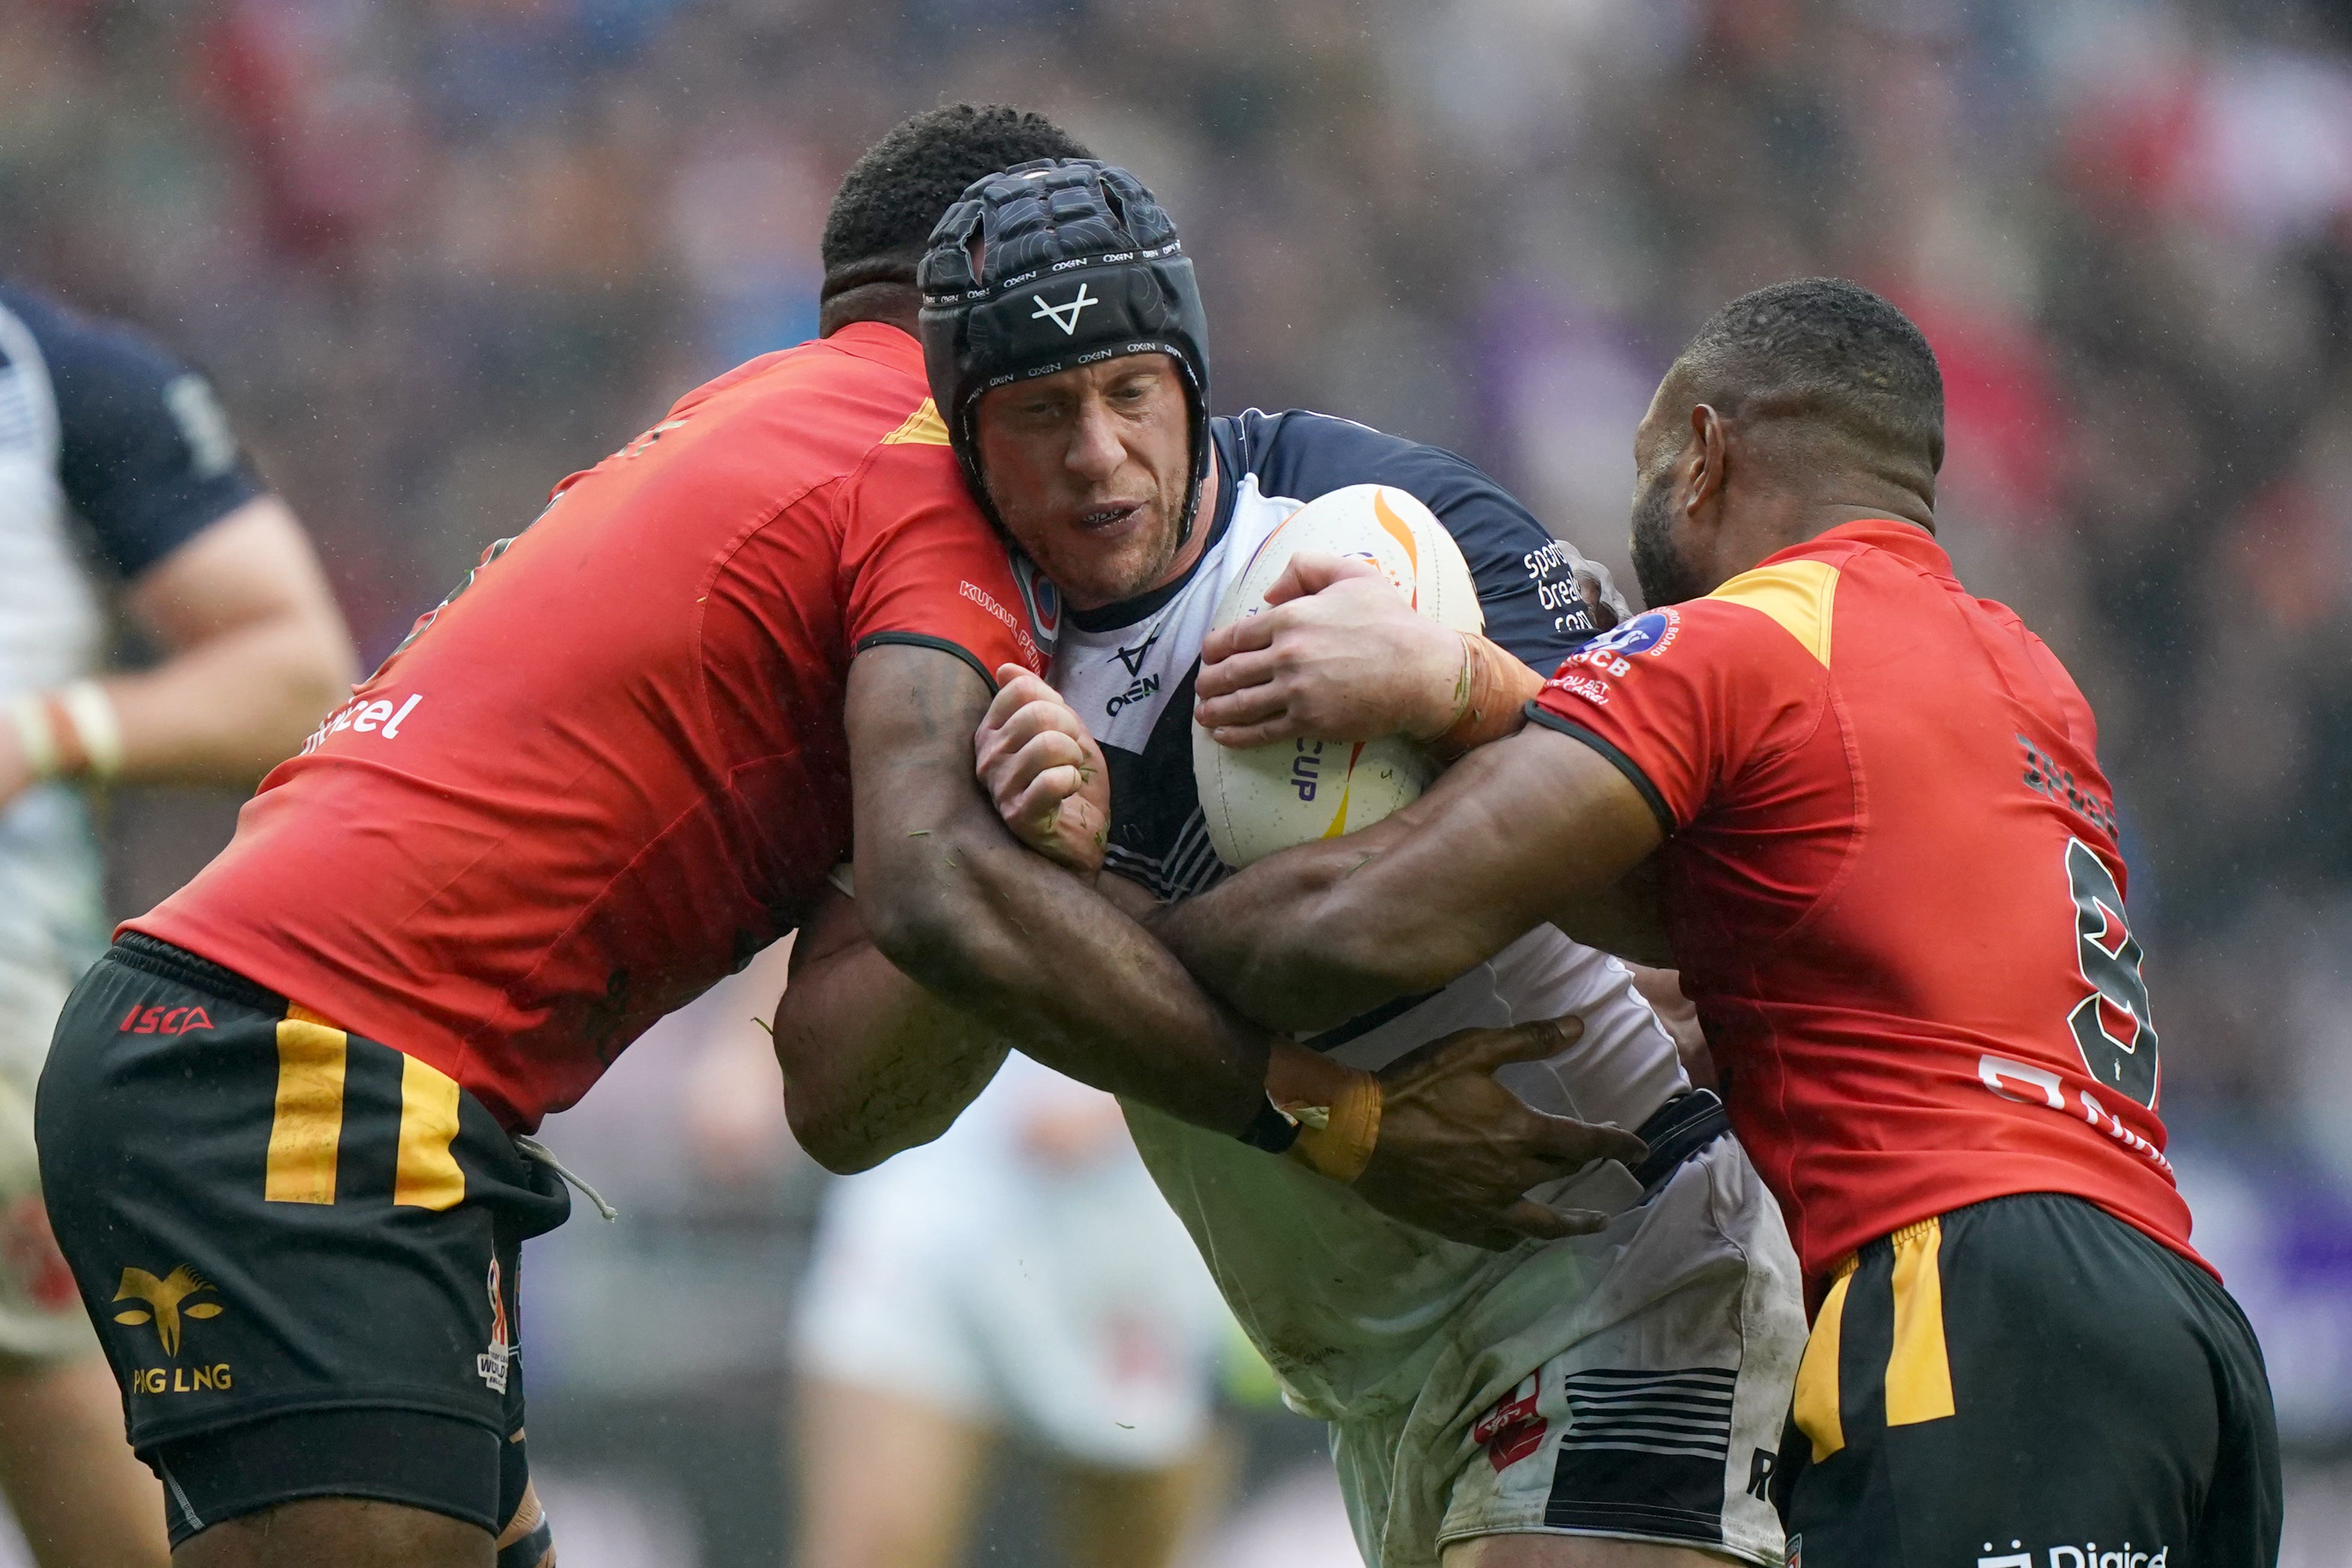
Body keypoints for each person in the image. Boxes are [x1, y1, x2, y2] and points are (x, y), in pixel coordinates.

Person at [31, 105, 1612, 1568]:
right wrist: (1331, 1114)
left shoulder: (766, 428)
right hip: (304, 1069)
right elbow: (927, 902)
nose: (1088, 436)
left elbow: (852, 1092)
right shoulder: (916, 472)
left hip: (278, 1058)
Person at [1130, 279, 2282, 1565]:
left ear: (1702, 453)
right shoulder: (2019, 667)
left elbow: (1360, 929)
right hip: (2181, 1329)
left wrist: (1082, 944)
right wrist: (1480, 698)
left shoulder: (1745, 637)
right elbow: (1724, 908)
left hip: (1967, 1296)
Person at [776, 156, 1808, 1568]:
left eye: (1128, 391)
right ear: (963, 437)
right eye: (1039, 413)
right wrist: (1006, 869)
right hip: (1373, 1379)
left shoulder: (1372, 522)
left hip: (1610, 1263)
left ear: (1190, 379)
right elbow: (840, 1099)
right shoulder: (951, 659)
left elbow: (1669, 833)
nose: (1096, 453)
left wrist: (1458, 683)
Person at [0, 282, 355, 1567]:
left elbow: (299, 668)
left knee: (47, 1398)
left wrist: (47, 735)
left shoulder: (58, 380)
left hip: (3, 998)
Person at [791, 1050, 1234, 1568]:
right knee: (869, 1552)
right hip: (937, 1186)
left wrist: (1135, 1098)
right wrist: (745, 1049)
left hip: (1138, 1236)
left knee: (1131, 1547)